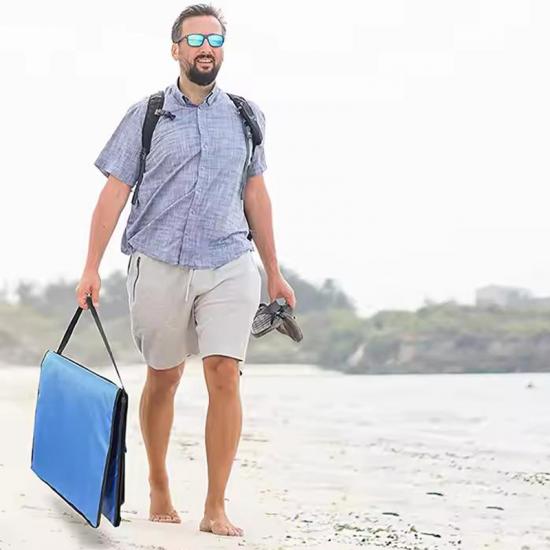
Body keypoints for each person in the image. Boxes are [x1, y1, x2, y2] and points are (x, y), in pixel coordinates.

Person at [75, 3, 296, 537]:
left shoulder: (246, 115)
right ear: (175, 49)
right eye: (196, 40)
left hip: (229, 260)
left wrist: (273, 270)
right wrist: (91, 268)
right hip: (159, 261)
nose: (205, 50)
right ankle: (158, 482)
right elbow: (114, 193)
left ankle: (215, 506)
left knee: (224, 373)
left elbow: (256, 193)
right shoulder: (147, 114)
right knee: (165, 376)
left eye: (215, 41)